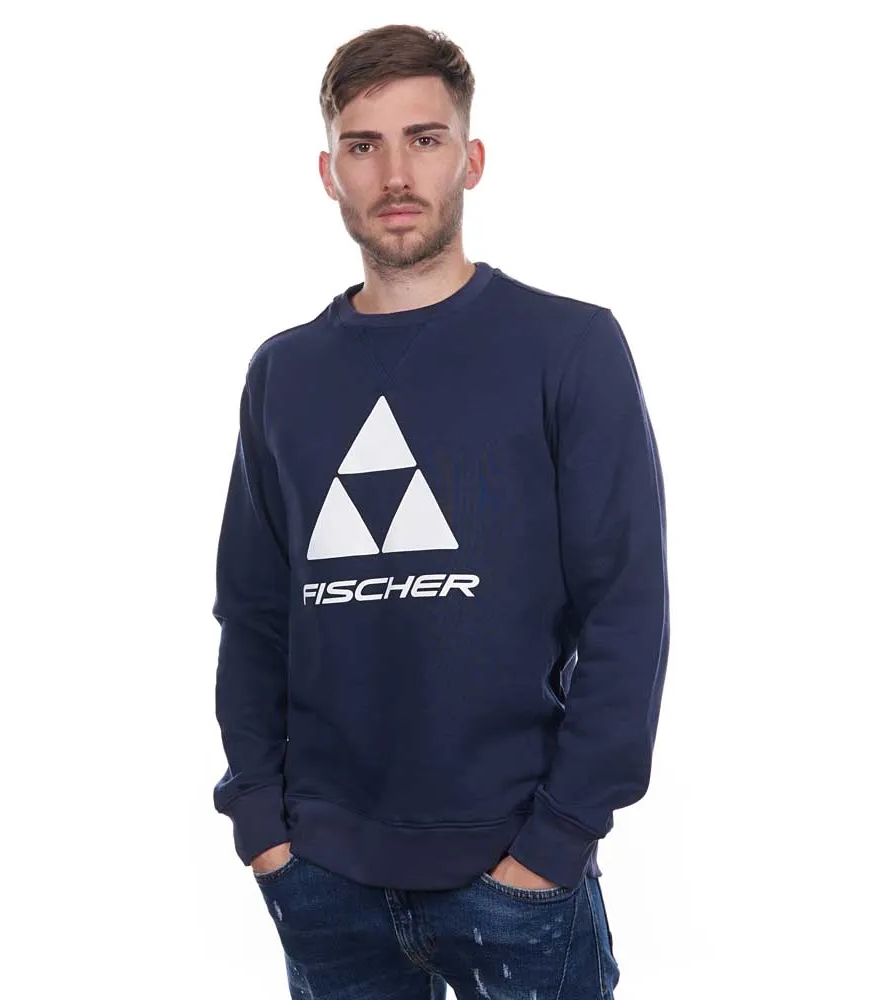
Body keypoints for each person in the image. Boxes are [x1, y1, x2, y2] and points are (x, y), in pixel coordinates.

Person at [210, 22, 669, 1000]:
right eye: (362, 145)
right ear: (328, 172)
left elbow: (626, 611)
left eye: (424, 139)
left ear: (472, 158)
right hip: (324, 879)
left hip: (518, 878)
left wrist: (553, 844)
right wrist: (263, 827)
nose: (395, 174)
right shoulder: (283, 374)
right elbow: (250, 614)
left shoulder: (569, 347)